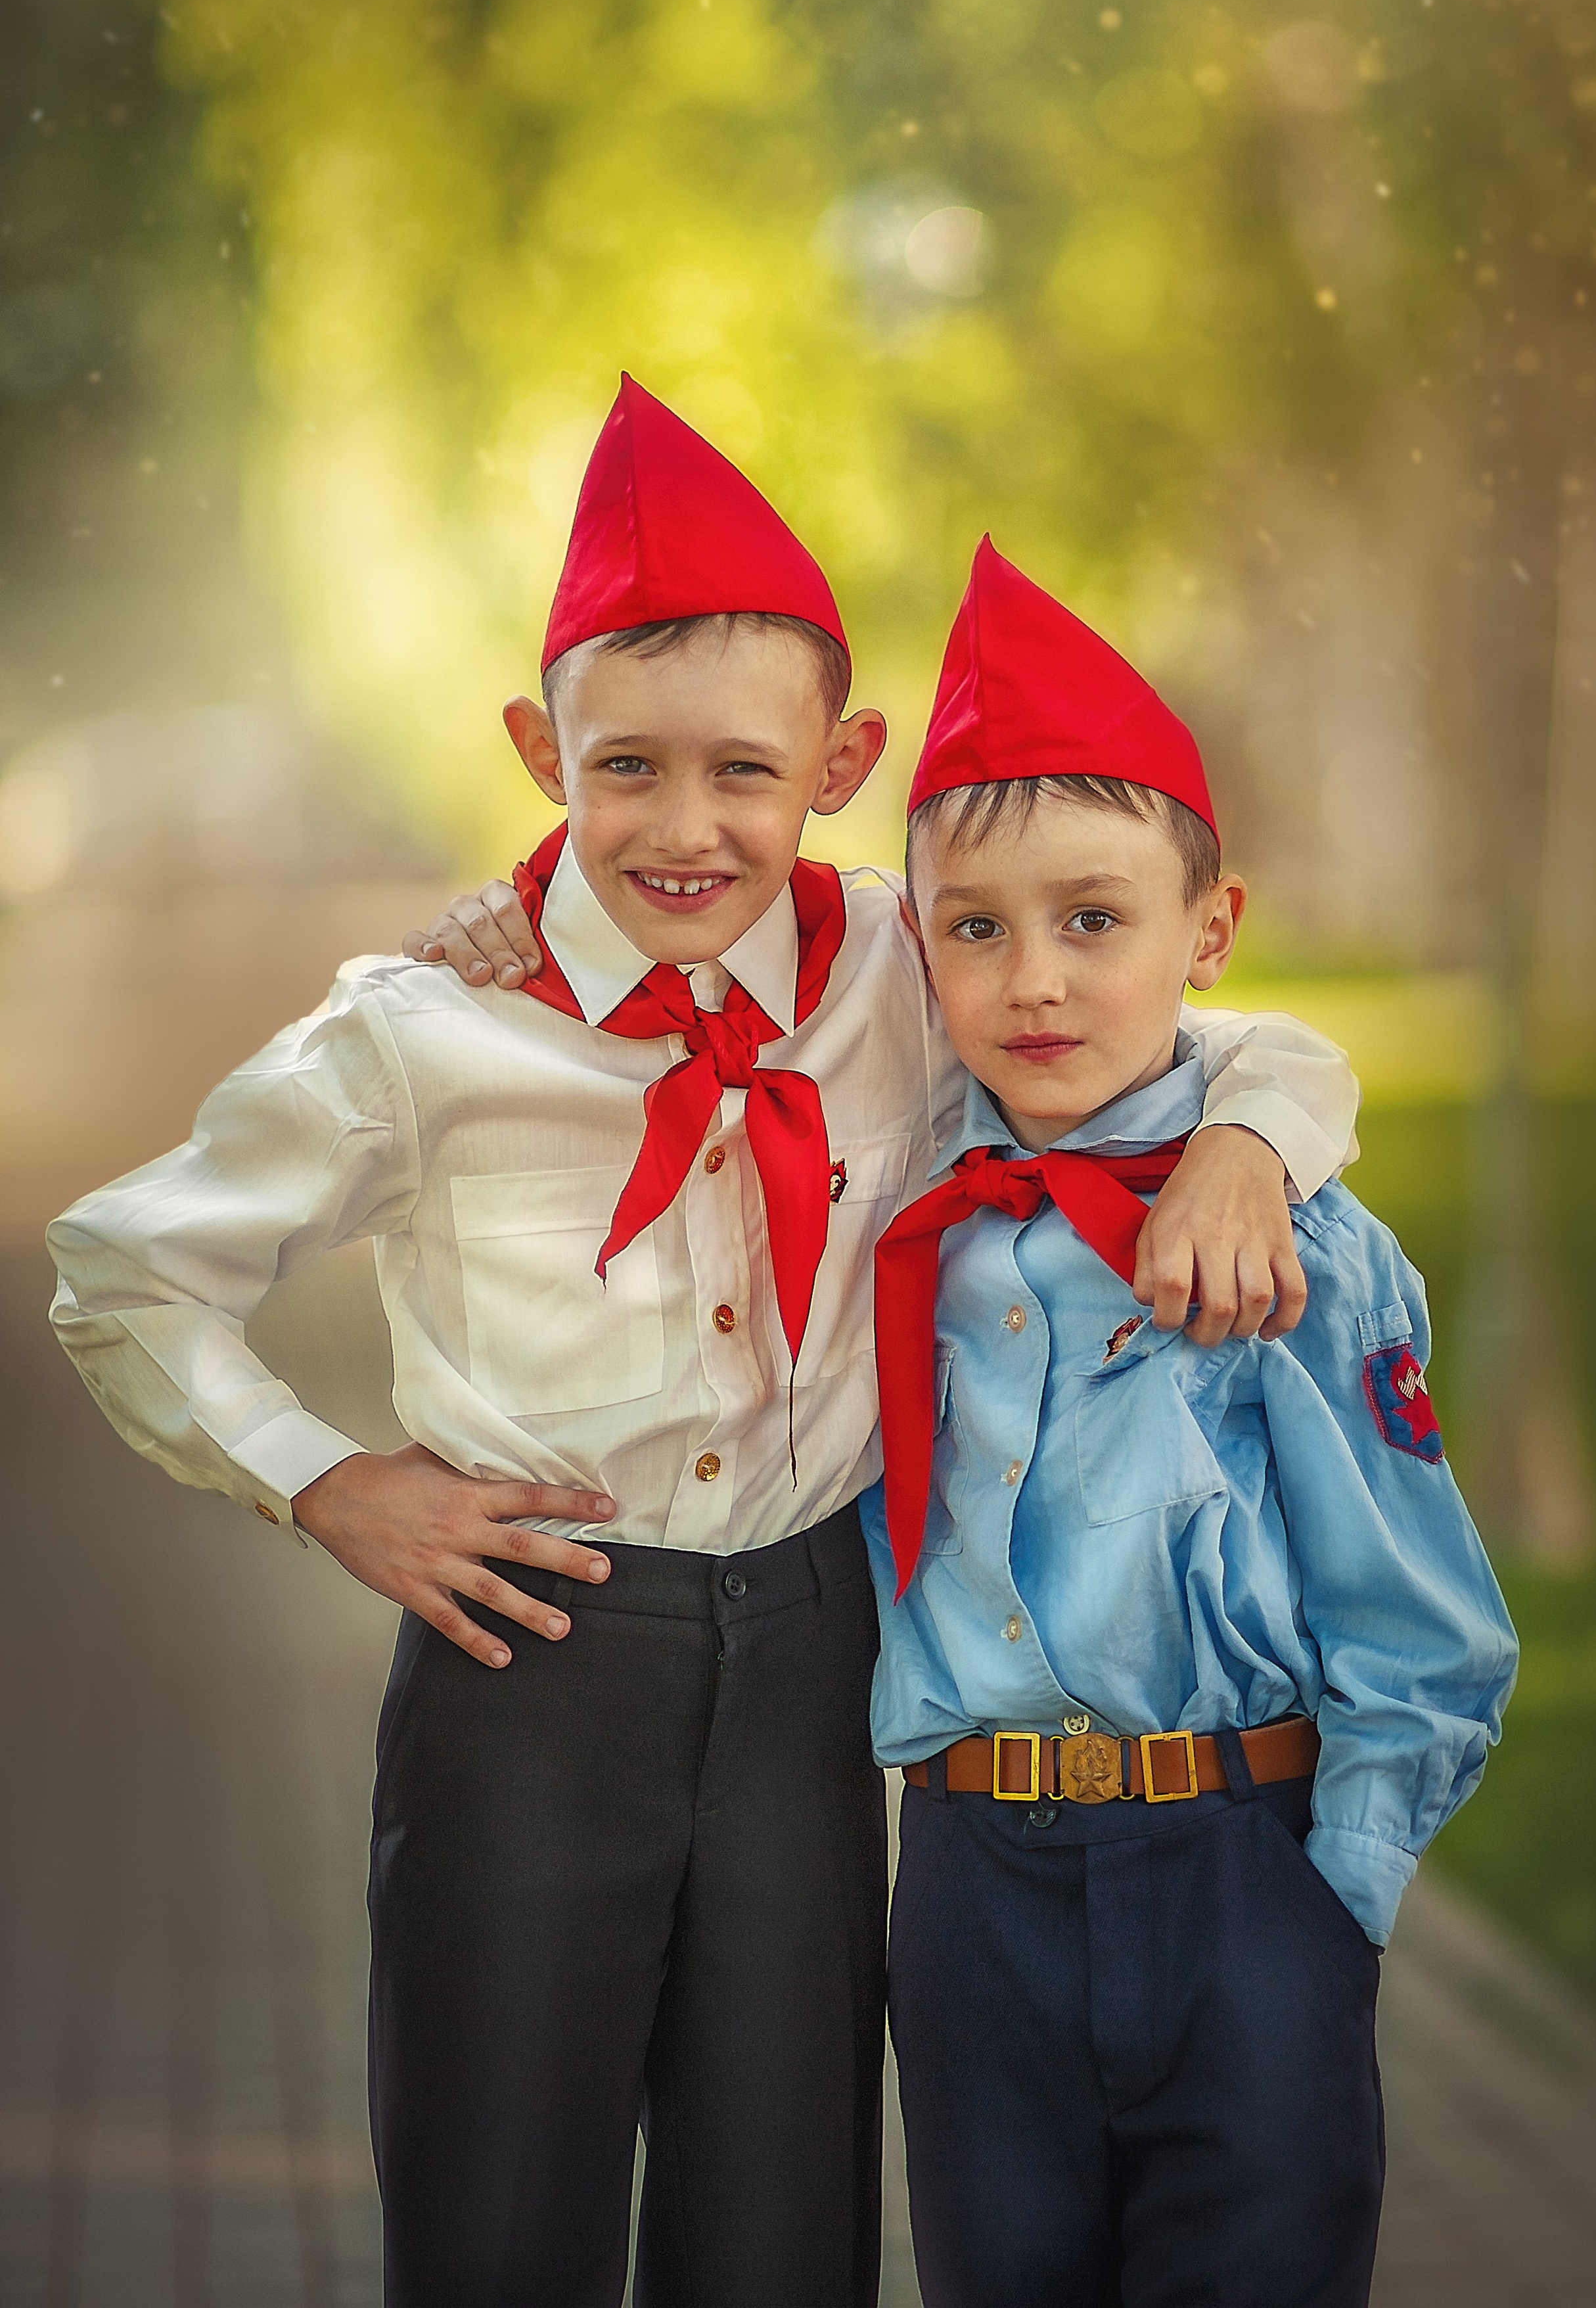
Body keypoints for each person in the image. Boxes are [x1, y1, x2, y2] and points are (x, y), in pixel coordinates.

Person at [48, 380, 1361, 2308]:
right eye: (626, 769)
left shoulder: (916, 966)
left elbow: (1234, 1031)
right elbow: (122, 1268)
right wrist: (326, 1480)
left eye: (743, 773)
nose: (684, 828)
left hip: (818, 1659)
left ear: (840, 762)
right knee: (499, 2214)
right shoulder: (424, 1031)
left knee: (783, 2226)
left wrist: (1245, 1145)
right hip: (536, 1657)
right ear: (537, 749)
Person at [859, 537, 1519, 2308]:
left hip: (1242, 1877)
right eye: (976, 932)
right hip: (972, 1889)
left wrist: (1340, 1905)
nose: (1036, 980)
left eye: (1095, 918)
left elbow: (1421, 1617)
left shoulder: (1281, 1243)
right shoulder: (895, 1203)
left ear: (1207, 933)